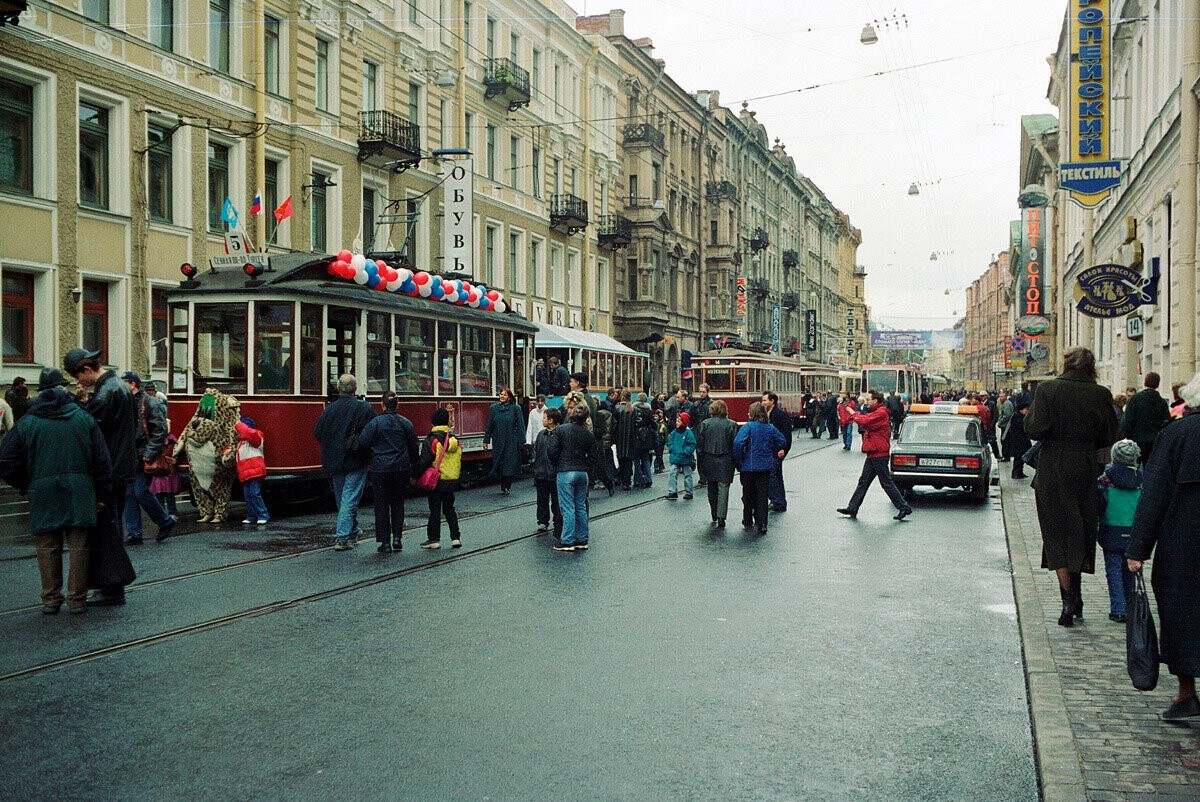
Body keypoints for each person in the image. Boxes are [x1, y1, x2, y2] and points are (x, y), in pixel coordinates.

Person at [0, 367, 112, 614]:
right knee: (79, 546)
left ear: (40, 392)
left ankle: (51, 599)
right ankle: (77, 599)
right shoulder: (83, 418)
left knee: (47, 546)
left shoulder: (28, 422)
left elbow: (6, 460)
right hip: (80, 489)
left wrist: (25, 483)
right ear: (64, 390)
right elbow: (102, 460)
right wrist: (102, 494)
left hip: (42, 489)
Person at [1023, 347, 1121, 628]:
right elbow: (1109, 434)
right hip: (1085, 466)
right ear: (1091, 367)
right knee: (1080, 530)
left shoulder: (1048, 389)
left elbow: (1034, 428)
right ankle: (1077, 596)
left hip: (1053, 465)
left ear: (1066, 364)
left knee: (1055, 532)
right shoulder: (1100, 393)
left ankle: (1067, 600)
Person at [1126, 371, 1200, 725]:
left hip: (1184, 545)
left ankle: (1187, 693)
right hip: (1182, 542)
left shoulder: (1177, 434)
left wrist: (1137, 549)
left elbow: (1153, 495)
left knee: (1181, 613)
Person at [64, 347, 137, 606]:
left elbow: (90, 428)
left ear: (86, 369)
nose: (77, 382)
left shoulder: (107, 392)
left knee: (107, 529)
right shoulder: (116, 386)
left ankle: (112, 586)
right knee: (111, 525)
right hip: (121, 464)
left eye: (77, 376)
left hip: (111, 468)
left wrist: (79, 403)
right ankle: (112, 585)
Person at [313, 374, 377, 551]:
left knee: (342, 497)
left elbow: (318, 432)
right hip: (356, 459)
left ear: (338, 389)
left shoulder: (329, 409)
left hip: (334, 460)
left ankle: (352, 530)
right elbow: (374, 431)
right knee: (350, 497)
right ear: (355, 389)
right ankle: (342, 537)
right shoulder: (364, 408)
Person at [356, 391, 420, 553]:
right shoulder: (406, 423)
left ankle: (384, 542)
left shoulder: (375, 423)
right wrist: (415, 469)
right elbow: (414, 447)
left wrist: (372, 457)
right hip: (401, 468)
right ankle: (397, 538)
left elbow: (362, 443)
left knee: (381, 504)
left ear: (382, 405)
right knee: (398, 502)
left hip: (380, 469)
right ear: (397, 405)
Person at [120, 371, 178, 545]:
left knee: (140, 492)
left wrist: (150, 452)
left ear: (133, 384)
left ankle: (165, 521)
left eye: (124, 382)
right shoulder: (126, 402)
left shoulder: (149, 402)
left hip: (143, 455)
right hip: (130, 456)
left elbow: (160, 430)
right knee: (129, 494)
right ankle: (134, 533)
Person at [837, 390, 912, 521]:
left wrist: (853, 413)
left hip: (879, 452)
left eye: (868, 399)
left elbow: (865, 421)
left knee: (886, 483)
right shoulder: (878, 411)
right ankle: (853, 507)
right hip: (874, 451)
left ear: (875, 401)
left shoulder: (881, 413)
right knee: (864, 482)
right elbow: (866, 420)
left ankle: (903, 506)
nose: (867, 402)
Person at [175, 388, 239, 525]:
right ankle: (206, 512)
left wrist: (229, 455)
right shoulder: (198, 418)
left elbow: (232, 434)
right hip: (198, 462)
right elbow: (187, 431)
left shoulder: (223, 420)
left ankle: (219, 513)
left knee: (221, 487)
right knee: (199, 488)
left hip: (214, 462)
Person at [1096, 439, 1142, 623]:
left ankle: (1118, 608)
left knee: (1113, 569)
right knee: (1129, 569)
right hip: (1133, 530)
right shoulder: (1141, 480)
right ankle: (1130, 606)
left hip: (1111, 529)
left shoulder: (1105, 480)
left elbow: (1099, 505)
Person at [733, 402, 786, 535]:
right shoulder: (770, 428)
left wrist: (739, 459)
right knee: (762, 495)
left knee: (748, 493)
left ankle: (747, 519)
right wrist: (772, 449)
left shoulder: (748, 427)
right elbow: (782, 440)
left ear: (752, 413)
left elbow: (738, 443)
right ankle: (762, 522)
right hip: (765, 466)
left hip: (748, 466)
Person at [549, 404, 596, 552]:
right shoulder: (588, 434)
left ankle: (568, 540)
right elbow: (594, 456)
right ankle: (582, 539)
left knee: (567, 507)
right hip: (582, 472)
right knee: (580, 506)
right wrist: (585, 465)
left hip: (565, 471)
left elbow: (552, 450)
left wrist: (557, 465)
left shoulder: (561, 430)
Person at [418, 407, 462, 549]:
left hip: (436, 480)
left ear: (433, 422)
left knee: (435, 509)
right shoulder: (454, 440)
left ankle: (434, 539)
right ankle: (455, 538)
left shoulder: (432, 439)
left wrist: (414, 475)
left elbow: (425, 460)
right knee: (450, 508)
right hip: (451, 479)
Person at [696, 399, 738, 528]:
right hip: (726, 460)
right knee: (723, 488)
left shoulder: (705, 424)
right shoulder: (732, 424)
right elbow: (735, 444)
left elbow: (700, 445)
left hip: (709, 459)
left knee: (711, 487)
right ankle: (721, 517)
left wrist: (701, 461)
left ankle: (714, 512)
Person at [1121, 371, 1170, 465]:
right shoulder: (1162, 403)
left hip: (1136, 442)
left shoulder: (1134, 400)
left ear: (1145, 382)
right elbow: (1166, 423)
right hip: (1155, 443)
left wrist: (1127, 436)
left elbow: (1126, 422)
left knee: (1135, 470)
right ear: (1158, 384)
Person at [484, 387, 524, 495]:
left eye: (505, 395)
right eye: (501, 394)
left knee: (509, 463)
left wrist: (521, 440)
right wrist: (486, 440)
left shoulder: (516, 408)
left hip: (511, 440)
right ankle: (502, 483)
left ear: (509, 397)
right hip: (498, 439)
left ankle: (507, 485)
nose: (502, 396)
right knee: (499, 462)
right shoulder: (494, 408)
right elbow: (489, 425)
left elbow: (520, 425)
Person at [531, 406, 563, 539]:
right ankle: (543, 521)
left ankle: (557, 520)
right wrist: (535, 466)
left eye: (544, 418)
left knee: (556, 500)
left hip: (554, 473)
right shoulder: (541, 434)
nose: (542, 420)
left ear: (550, 420)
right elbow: (536, 451)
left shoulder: (560, 434)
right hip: (541, 472)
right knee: (542, 498)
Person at [234, 415, 269, 526]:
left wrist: (237, 424)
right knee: (248, 495)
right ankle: (252, 515)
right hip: (246, 472)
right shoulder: (241, 442)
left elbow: (250, 433)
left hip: (255, 471)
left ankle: (263, 514)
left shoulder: (257, 436)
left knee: (254, 493)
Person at [761, 392, 793, 512]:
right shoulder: (766, 414)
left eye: (765, 400)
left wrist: (783, 449)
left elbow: (786, 435)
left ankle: (777, 501)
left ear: (772, 401)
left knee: (772, 476)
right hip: (770, 450)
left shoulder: (780, 415)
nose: (763, 403)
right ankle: (780, 501)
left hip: (777, 451)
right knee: (777, 476)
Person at [611, 390, 643, 490]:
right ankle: (627, 481)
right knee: (629, 460)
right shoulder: (634, 409)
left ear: (621, 397)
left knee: (620, 458)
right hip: (631, 438)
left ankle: (621, 478)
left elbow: (614, 425)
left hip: (620, 438)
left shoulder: (617, 408)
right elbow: (638, 423)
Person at [150, 432, 182, 517]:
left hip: (158, 470)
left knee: (160, 495)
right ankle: (171, 513)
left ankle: (162, 515)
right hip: (167, 469)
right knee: (169, 494)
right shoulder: (172, 440)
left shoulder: (152, 439)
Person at [666, 411, 696, 500]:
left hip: (684, 457)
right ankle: (672, 491)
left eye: (679, 421)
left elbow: (692, 444)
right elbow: (670, 442)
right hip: (676, 457)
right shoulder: (674, 432)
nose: (676, 423)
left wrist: (685, 451)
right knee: (672, 473)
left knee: (687, 475)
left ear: (683, 422)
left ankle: (689, 492)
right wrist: (671, 448)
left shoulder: (688, 433)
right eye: (676, 421)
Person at [1004, 393, 1034, 480]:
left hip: (1022, 440)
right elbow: (1022, 427)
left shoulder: (1020, 416)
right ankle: (1015, 473)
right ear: (1021, 409)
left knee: (1021, 457)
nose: (1026, 411)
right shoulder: (1017, 416)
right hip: (1018, 441)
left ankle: (1020, 472)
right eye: (1026, 409)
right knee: (1018, 458)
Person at [632, 393, 656, 489]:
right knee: (646, 458)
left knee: (636, 459)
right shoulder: (648, 410)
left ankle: (638, 480)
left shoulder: (634, 410)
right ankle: (648, 478)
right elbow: (653, 424)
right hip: (646, 437)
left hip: (636, 436)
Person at [652, 408, 668, 474]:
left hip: (661, 441)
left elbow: (665, 433)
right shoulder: (653, 424)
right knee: (658, 454)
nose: (655, 417)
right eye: (654, 416)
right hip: (656, 441)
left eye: (656, 416)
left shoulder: (662, 424)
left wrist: (667, 442)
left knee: (659, 454)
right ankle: (660, 466)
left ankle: (657, 466)